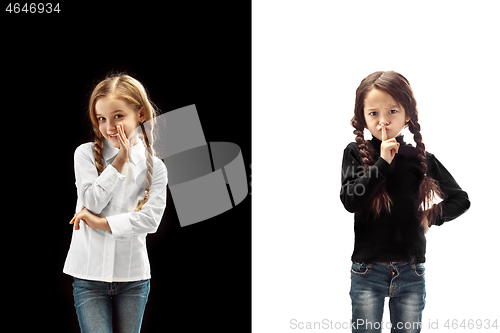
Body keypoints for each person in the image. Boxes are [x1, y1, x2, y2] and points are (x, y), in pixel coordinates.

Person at [340, 71, 470, 333]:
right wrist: (383, 163)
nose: (383, 121)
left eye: (392, 111)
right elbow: (351, 200)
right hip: (367, 271)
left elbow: (460, 199)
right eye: (373, 113)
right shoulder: (355, 153)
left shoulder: (420, 158)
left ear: (407, 114)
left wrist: (430, 216)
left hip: (411, 271)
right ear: (363, 116)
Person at [63, 74, 168, 333]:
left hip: (133, 277)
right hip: (88, 275)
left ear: (140, 114)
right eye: (101, 119)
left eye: (118, 116)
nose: (109, 126)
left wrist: (101, 223)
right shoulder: (85, 154)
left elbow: (150, 220)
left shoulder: (156, 168)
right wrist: (120, 161)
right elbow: (92, 201)